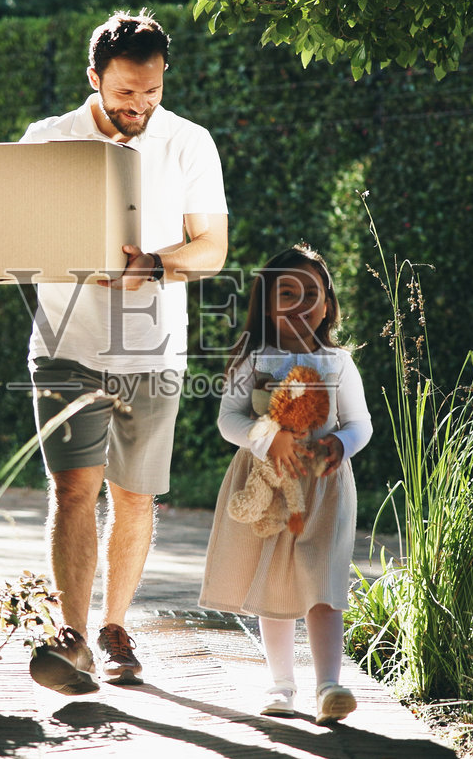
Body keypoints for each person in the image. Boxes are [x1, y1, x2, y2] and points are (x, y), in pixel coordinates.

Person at [0, 10, 227, 694]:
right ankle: (73, 638)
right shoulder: (48, 138)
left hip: (154, 353)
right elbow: (10, 236)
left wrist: (153, 261)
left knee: (135, 499)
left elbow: (211, 249)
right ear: (94, 79)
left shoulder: (188, 143)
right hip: (64, 347)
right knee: (72, 491)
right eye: (125, 93)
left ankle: (116, 624)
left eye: (151, 91)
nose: (139, 107)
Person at [198, 244, 372, 724]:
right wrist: (265, 437)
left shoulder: (338, 362)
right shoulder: (255, 359)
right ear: (266, 305)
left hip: (324, 489)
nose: (299, 304)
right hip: (268, 486)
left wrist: (340, 445)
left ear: (328, 305)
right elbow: (229, 420)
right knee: (274, 581)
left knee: (323, 582)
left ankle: (329, 686)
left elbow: (360, 423)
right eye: (286, 294)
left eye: (310, 294)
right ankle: (280, 685)